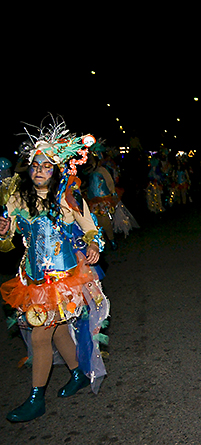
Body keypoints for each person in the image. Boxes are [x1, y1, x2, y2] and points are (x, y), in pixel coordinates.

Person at [0, 117, 109, 422]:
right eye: (36, 165)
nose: (39, 170)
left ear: (56, 170)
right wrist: (4, 230)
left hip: (64, 280)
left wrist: (91, 244)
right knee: (59, 331)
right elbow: (7, 242)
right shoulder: (17, 198)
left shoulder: (67, 197)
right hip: (33, 279)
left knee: (39, 338)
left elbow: (90, 228)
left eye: (47, 166)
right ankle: (76, 373)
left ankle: (36, 399)